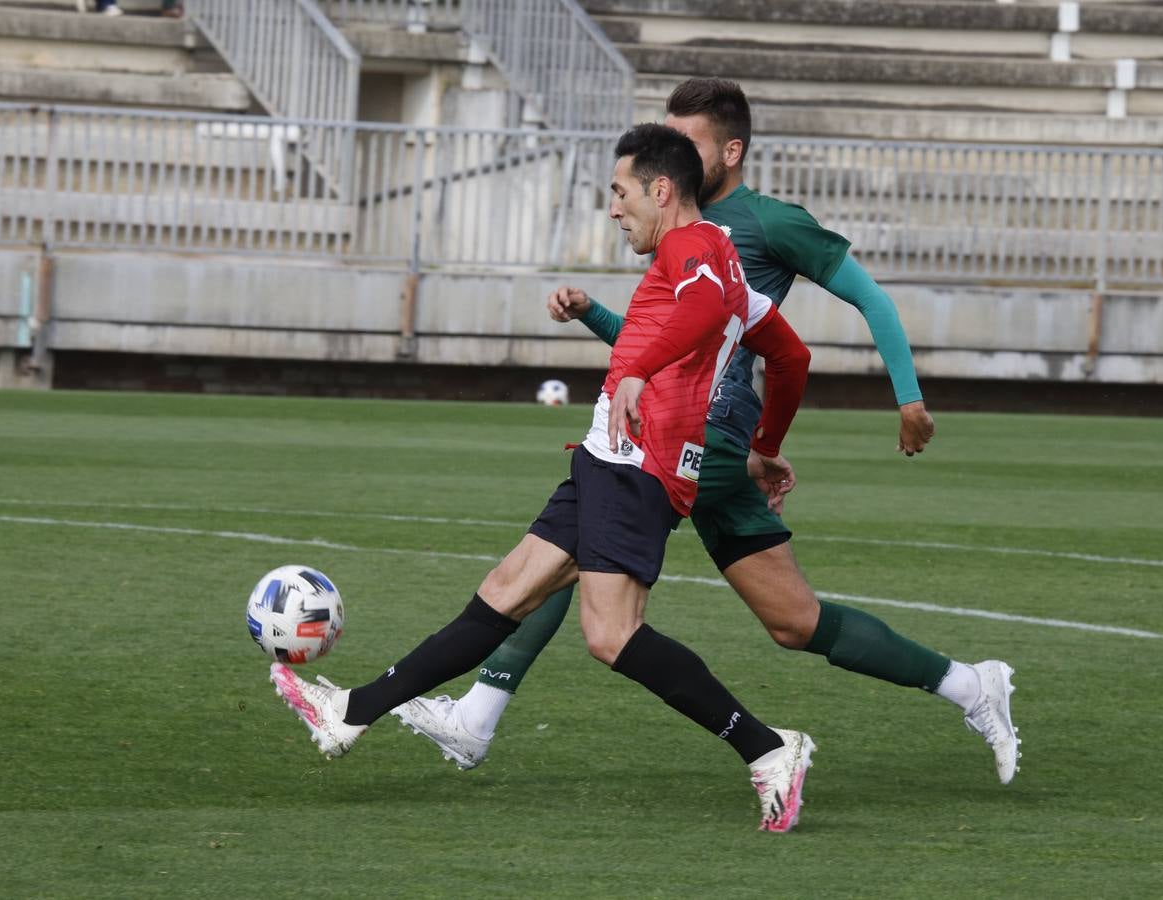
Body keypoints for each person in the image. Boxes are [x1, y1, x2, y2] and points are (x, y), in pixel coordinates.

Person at [392, 78, 1022, 786]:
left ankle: (479, 713)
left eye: (687, 143)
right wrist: (595, 314)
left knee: (583, 539)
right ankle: (972, 685)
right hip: (700, 438)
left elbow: (862, 299)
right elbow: (661, 340)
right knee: (794, 622)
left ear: (730, 150)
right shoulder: (671, 236)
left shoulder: (766, 224)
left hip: (704, 437)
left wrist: (908, 398)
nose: (672, 158)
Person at [271, 123, 820, 833]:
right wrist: (765, 446)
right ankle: (350, 713)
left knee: (612, 635)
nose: (614, 208)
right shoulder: (718, 257)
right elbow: (792, 356)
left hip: (637, 462)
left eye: (620, 193)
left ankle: (768, 748)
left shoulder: (693, 252)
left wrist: (643, 371)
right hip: (609, 457)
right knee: (504, 594)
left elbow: (708, 312)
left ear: (661, 189)